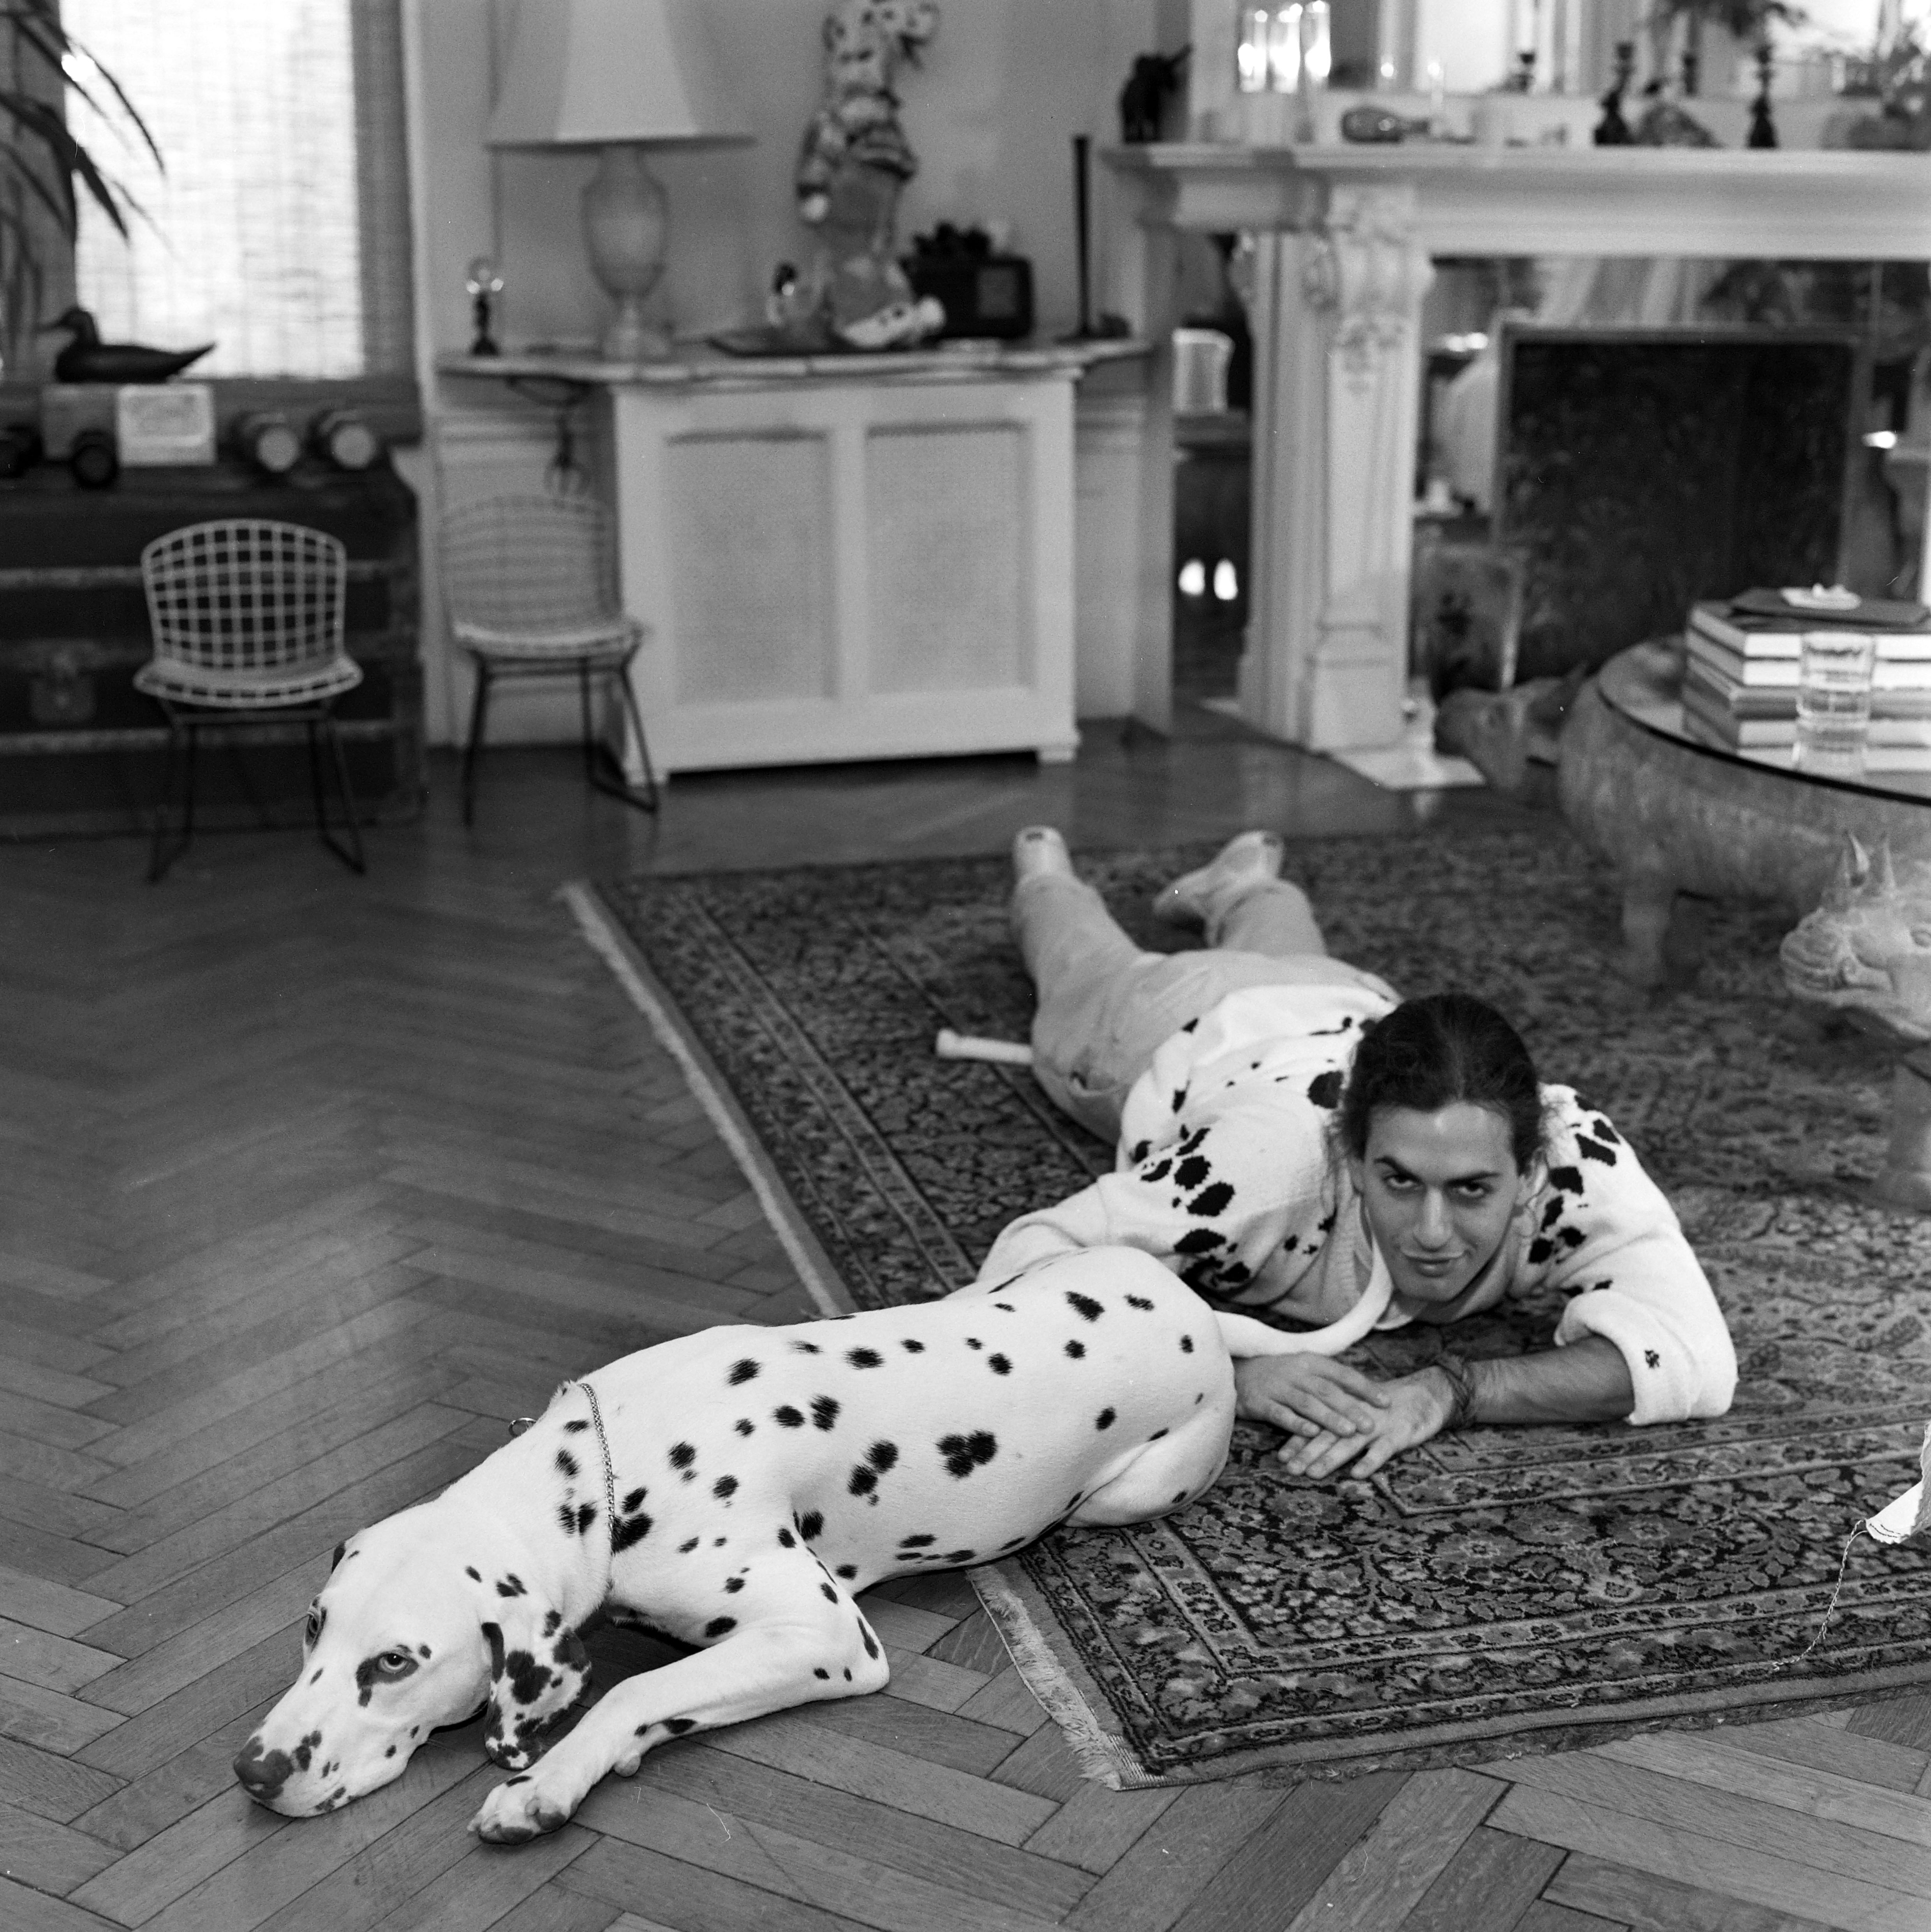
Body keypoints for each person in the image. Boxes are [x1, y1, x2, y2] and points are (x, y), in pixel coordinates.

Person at [974, 826, 1737, 1479]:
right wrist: (1225, 1371)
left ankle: (1244, 887)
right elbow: (1031, 1255)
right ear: (1349, 1147)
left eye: (1471, 1191)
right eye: (1398, 1180)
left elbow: (1696, 1358)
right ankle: (1045, 872)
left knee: (1289, 955)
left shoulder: (1571, 1157)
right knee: (1082, 963)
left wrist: (1453, 1391)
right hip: (1171, 1018)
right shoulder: (1265, 1169)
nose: (1431, 1232)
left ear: (1530, 1170)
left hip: (1339, 999)